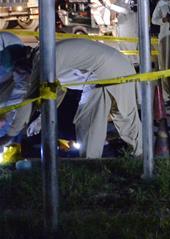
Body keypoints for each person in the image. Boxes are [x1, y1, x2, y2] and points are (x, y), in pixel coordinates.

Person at [3, 39, 142, 159]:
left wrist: (10, 134)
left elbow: (31, 98)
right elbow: (56, 91)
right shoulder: (45, 53)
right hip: (119, 65)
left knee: (88, 121)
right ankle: (142, 157)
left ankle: (90, 167)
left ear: (22, 63)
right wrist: (40, 120)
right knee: (125, 118)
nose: (20, 76)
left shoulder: (42, 60)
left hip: (103, 73)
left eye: (18, 71)